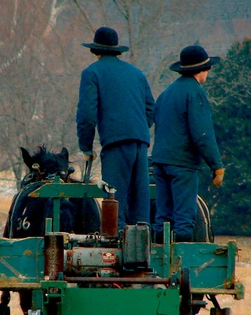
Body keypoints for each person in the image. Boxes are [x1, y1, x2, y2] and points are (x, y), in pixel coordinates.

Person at [76, 26, 155, 230]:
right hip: (141, 143)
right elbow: (150, 108)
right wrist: (136, 130)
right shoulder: (137, 73)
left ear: (95, 50)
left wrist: (86, 146)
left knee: (114, 204)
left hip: (116, 146)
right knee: (140, 208)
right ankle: (140, 253)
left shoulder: (91, 73)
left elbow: (86, 114)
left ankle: (116, 251)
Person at [151, 44, 225, 243]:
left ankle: (158, 263)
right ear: (202, 70)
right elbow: (203, 134)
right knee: (184, 219)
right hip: (182, 164)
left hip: (159, 161)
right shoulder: (195, 93)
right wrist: (216, 165)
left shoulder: (166, 93)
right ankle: (183, 264)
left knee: (162, 218)